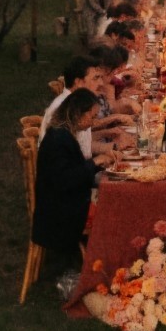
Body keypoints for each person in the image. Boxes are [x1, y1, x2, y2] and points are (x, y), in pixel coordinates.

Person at [32, 88, 117, 279]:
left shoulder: (63, 134)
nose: (93, 123)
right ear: (78, 113)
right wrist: (95, 162)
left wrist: (98, 164)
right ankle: (105, 267)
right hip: (61, 212)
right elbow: (67, 180)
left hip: (63, 202)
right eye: (92, 116)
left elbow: (74, 173)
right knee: (114, 209)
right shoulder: (58, 140)